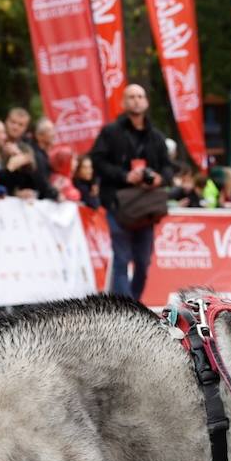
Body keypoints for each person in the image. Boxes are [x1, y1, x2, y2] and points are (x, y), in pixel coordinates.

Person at [89, 84, 174, 300]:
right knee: (121, 258)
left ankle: (132, 303)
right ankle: (125, 310)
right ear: (124, 103)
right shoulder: (110, 132)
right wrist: (125, 176)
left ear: (146, 102)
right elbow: (97, 161)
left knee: (143, 262)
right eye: (131, 97)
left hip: (146, 206)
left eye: (140, 96)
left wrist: (159, 178)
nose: (136, 100)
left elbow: (169, 167)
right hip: (119, 203)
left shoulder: (156, 136)